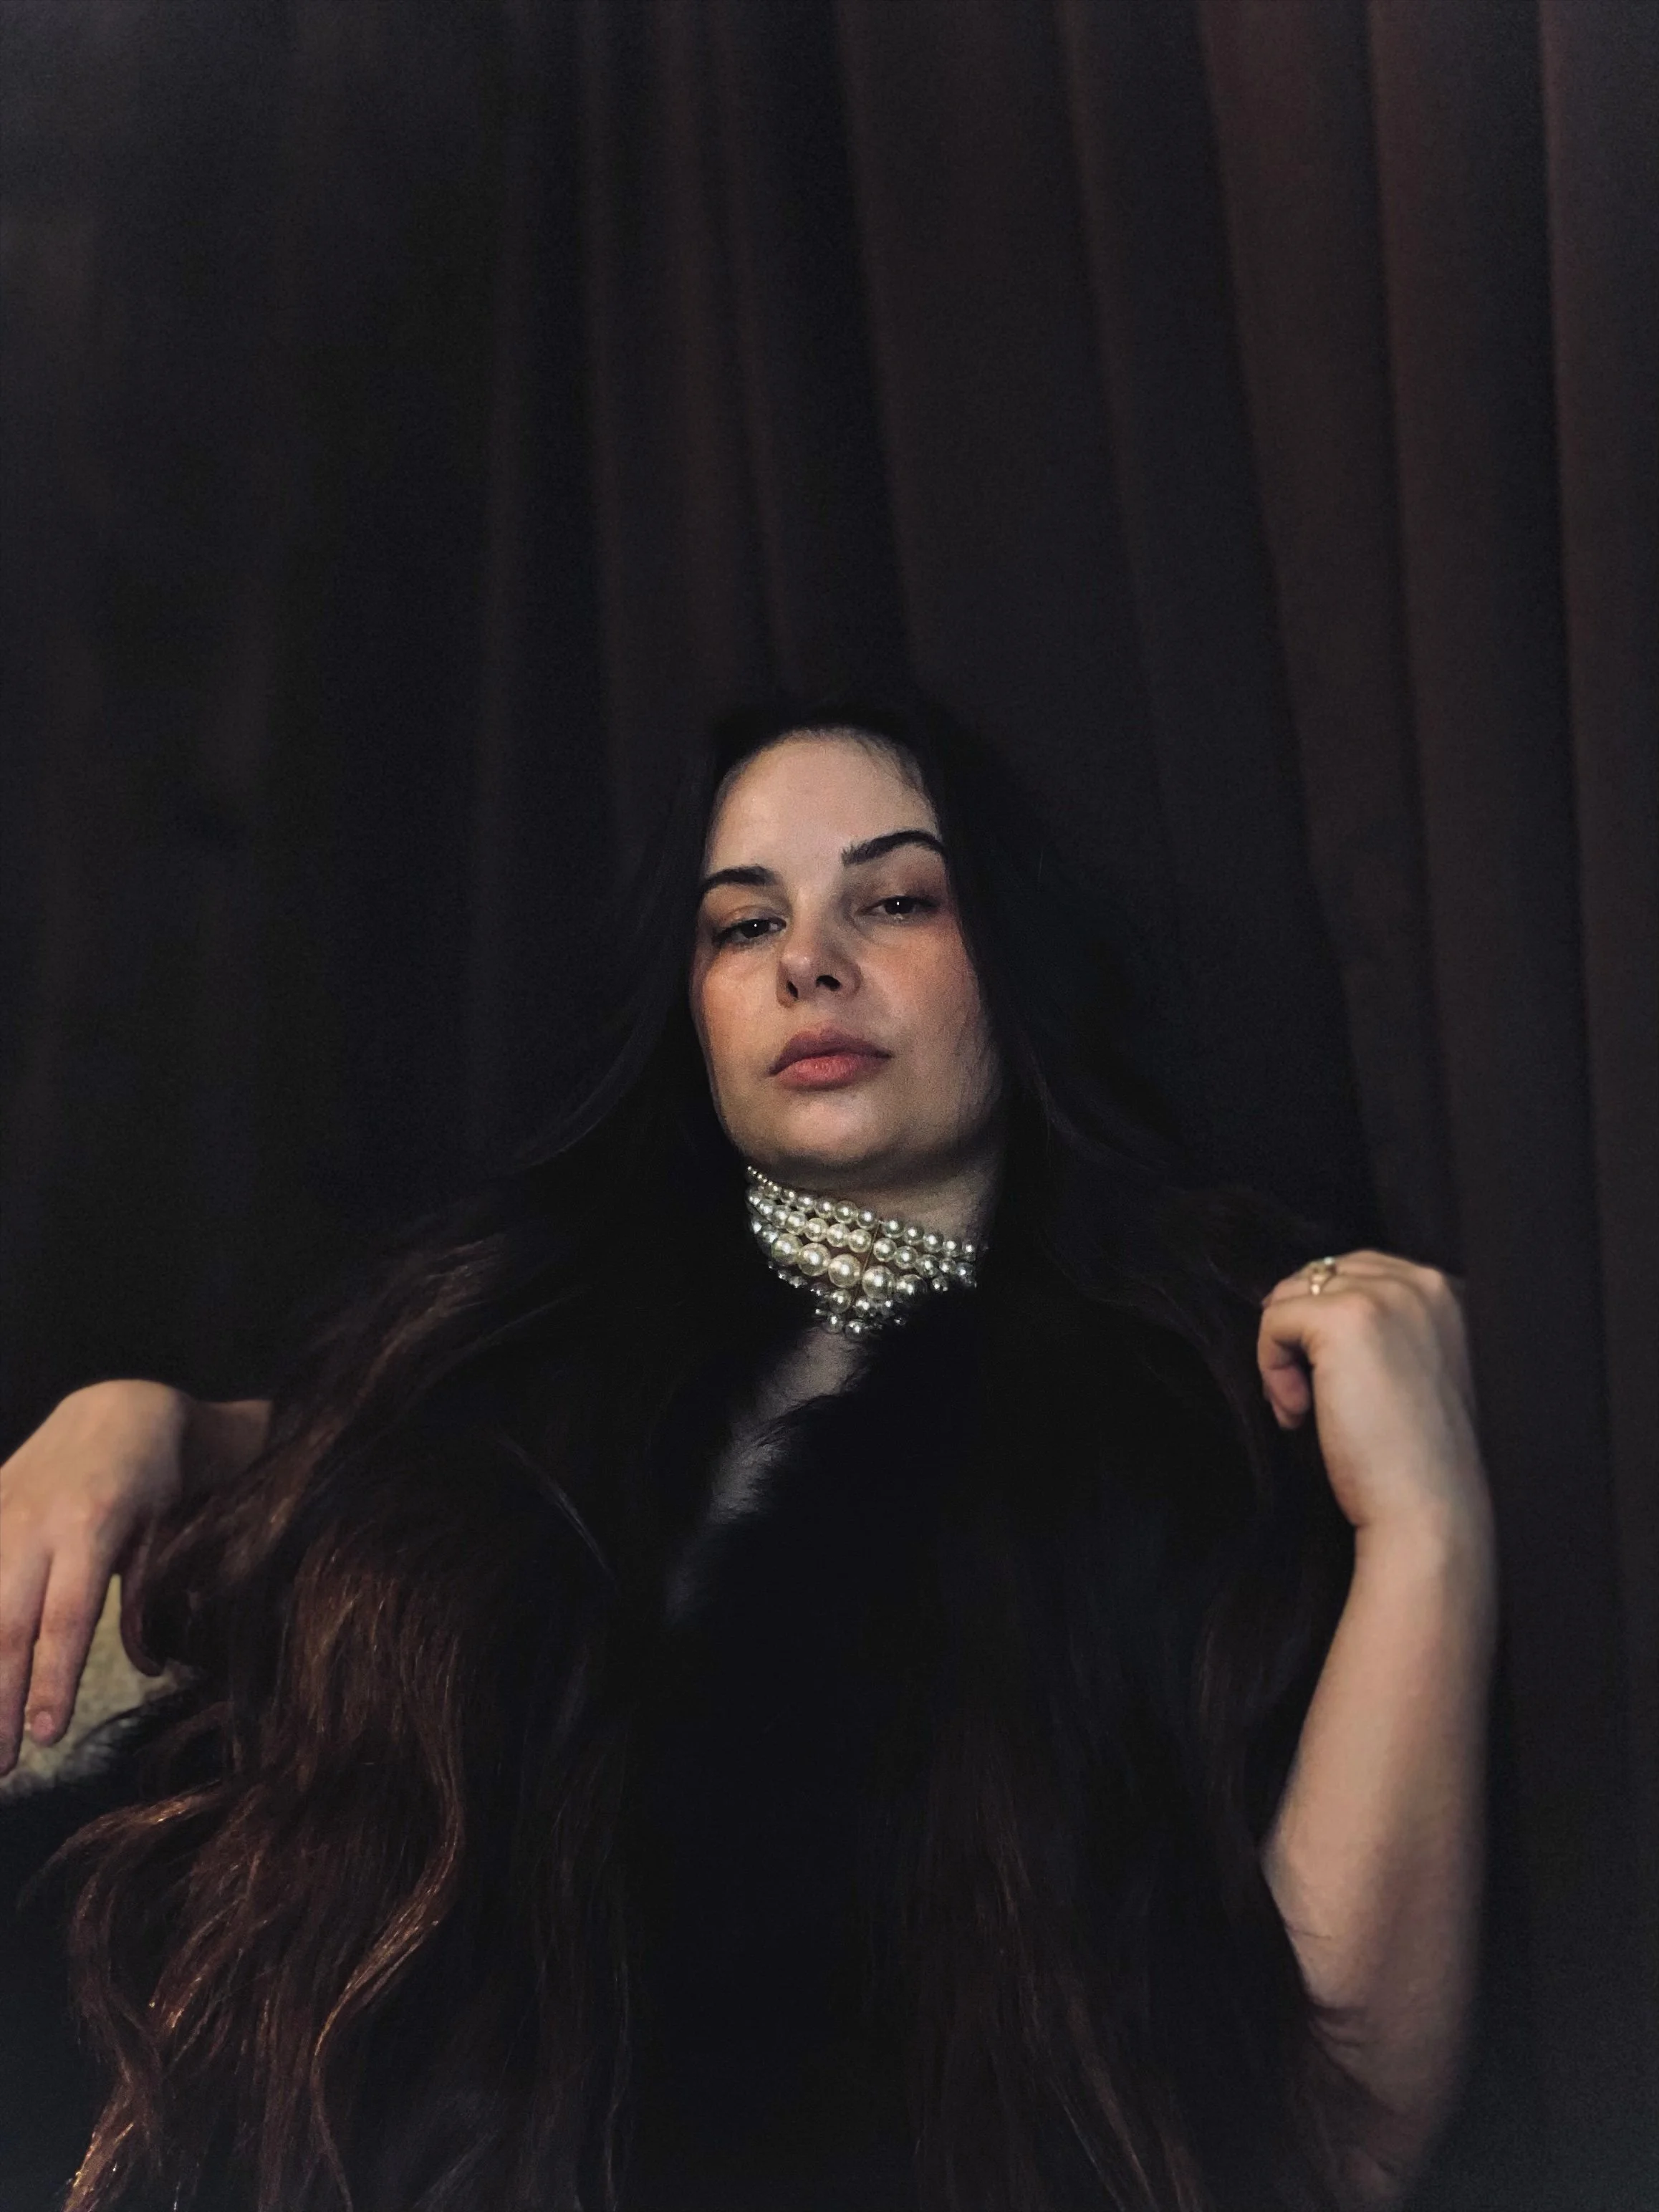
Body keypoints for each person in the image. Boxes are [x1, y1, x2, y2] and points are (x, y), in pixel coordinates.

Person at [0, 698, 1496, 2212]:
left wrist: (1427, 1530)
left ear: (1011, 962)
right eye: (742, 924)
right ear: (693, 1007)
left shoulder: (1200, 1414)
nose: (809, 960)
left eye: (894, 898)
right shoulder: (505, 1362)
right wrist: (155, 1418)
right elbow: (331, 1479)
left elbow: (1330, 2139)